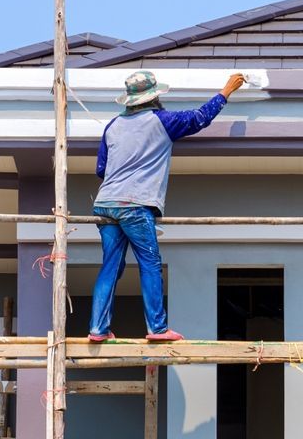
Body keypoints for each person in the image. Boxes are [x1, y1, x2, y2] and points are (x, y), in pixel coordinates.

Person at [88, 71, 246, 342]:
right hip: (135, 205)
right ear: (154, 97)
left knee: (110, 267)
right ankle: (157, 329)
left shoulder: (112, 126)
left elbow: (101, 169)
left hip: (106, 203)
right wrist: (226, 91)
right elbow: (199, 118)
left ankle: (98, 329)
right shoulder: (161, 121)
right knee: (149, 263)